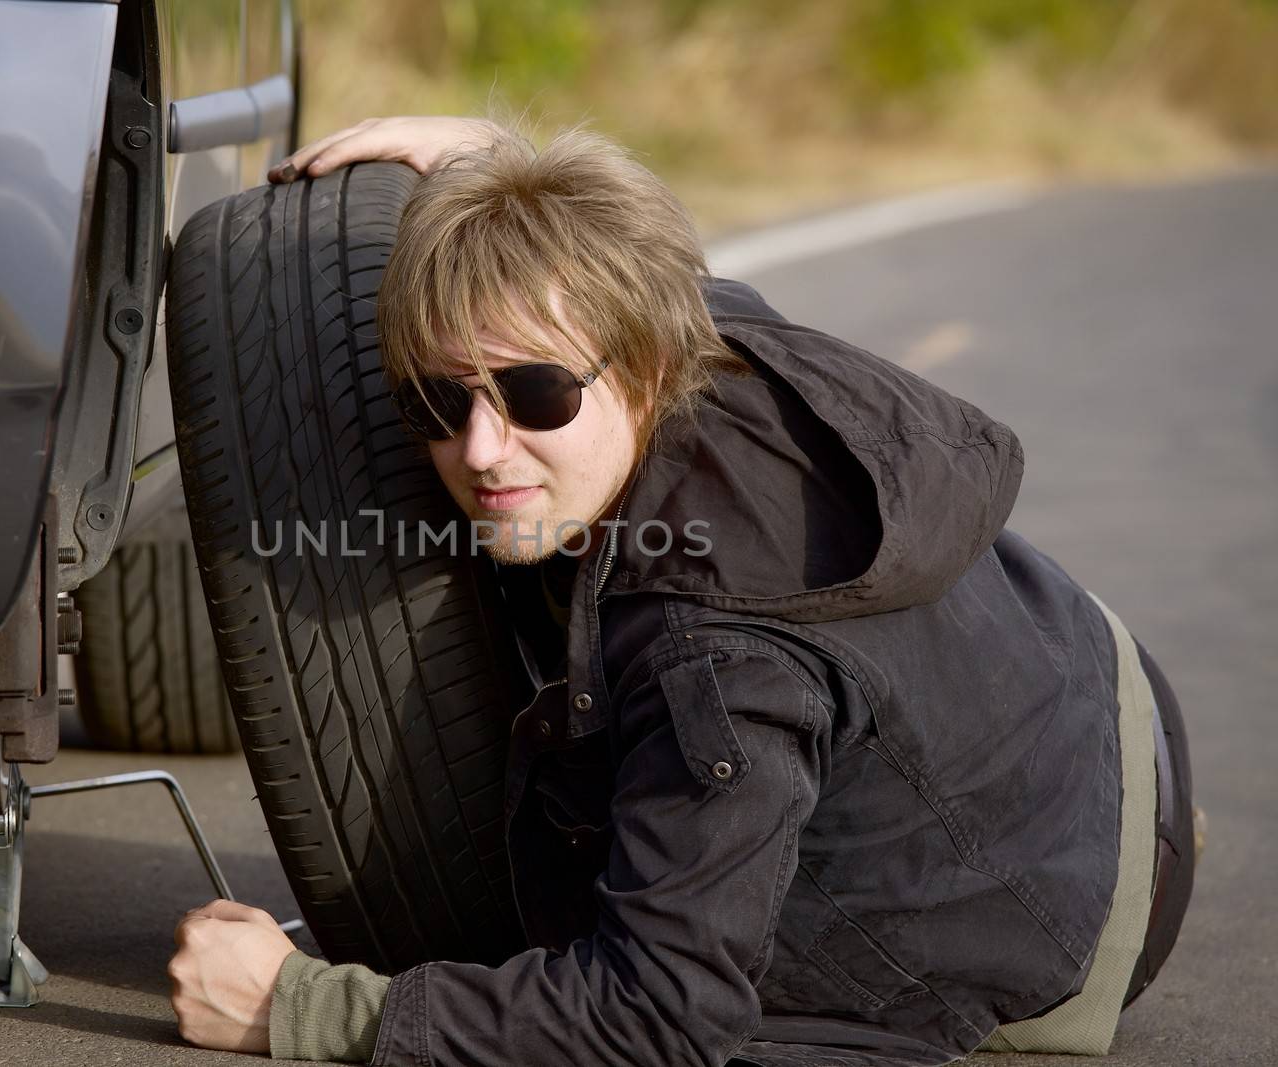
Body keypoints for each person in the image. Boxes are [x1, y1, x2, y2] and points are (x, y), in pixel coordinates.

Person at [165, 117, 1196, 1067]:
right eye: (439, 399)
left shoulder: (715, 660)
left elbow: (661, 1010)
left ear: (651, 367)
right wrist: (495, 166)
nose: (480, 449)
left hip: (1070, 914)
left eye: (533, 392)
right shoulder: (696, 325)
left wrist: (298, 1005)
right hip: (1091, 683)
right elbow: (638, 254)